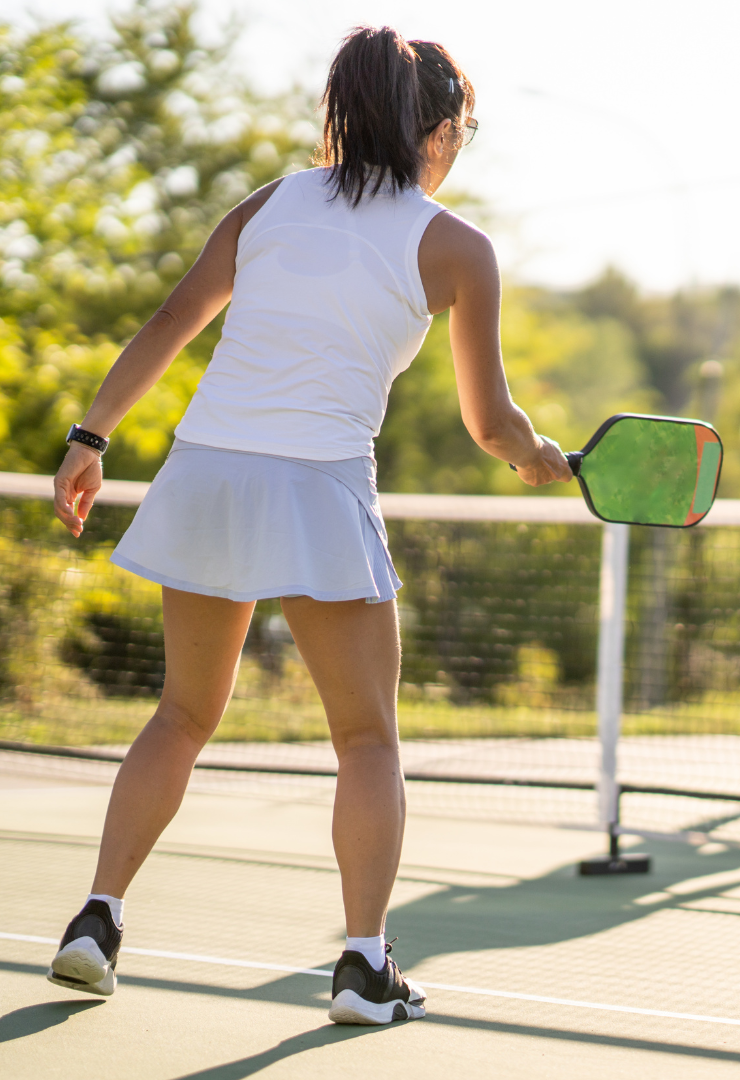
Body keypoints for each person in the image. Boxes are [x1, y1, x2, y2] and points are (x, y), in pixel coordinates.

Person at [45, 26, 571, 1025]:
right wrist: (537, 455)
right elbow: (490, 424)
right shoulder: (457, 246)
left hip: (205, 472)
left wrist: (90, 438)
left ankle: (96, 919)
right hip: (319, 487)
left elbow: (169, 322)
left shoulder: (271, 203)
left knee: (181, 715)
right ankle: (365, 967)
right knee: (368, 739)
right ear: (442, 130)